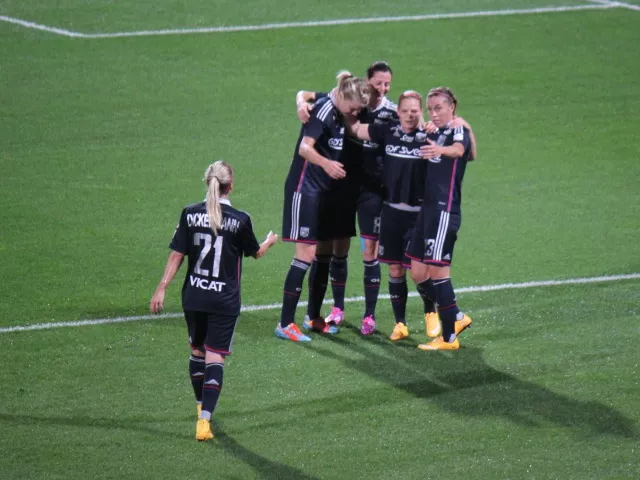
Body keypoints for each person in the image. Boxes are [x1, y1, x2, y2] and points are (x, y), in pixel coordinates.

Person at [149, 161, 278, 441]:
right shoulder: (240, 219)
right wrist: (270, 241)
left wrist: (161, 288)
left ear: (207, 182)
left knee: (197, 352)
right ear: (231, 185)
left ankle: (199, 407)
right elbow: (255, 253)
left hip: (194, 296)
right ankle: (204, 423)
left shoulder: (190, 213)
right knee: (215, 356)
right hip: (224, 299)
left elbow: (176, 255)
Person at [295, 61, 398, 335]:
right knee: (336, 250)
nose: (383, 88)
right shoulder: (354, 100)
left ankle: (369, 316)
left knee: (369, 252)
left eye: (387, 83)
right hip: (342, 184)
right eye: (378, 82)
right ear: (367, 82)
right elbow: (307, 95)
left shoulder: (392, 112)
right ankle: (336, 308)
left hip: (371, 190)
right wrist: (299, 103)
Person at [278, 72, 370, 341]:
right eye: (352, 108)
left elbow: (306, 92)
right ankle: (285, 323)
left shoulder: (334, 100)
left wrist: (300, 99)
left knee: (323, 256)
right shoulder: (323, 112)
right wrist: (327, 164)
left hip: (321, 194)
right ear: (342, 97)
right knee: (304, 256)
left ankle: (313, 317)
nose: (354, 113)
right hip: (303, 191)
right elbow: (305, 149)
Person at [347, 90, 432, 341]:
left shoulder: (429, 137)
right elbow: (356, 130)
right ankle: (400, 324)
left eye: (415, 111)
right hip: (391, 212)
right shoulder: (388, 131)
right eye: (405, 111)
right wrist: (338, 105)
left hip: (419, 215)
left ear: (421, 113)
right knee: (395, 269)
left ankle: (431, 312)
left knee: (419, 271)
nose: (409, 115)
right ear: (398, 113)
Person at [406, 87, 474, 350]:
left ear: (452, 106)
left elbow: (460, 150)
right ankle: (455, 315)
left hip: (444, 210)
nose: (433, 114)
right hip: (428, 211)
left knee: (438, 271)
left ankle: (449, 338)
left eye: (439, 108)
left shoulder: (458, 129)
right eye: (431, 109)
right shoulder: (436, 130)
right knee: (418, 270)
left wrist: (439, 150)